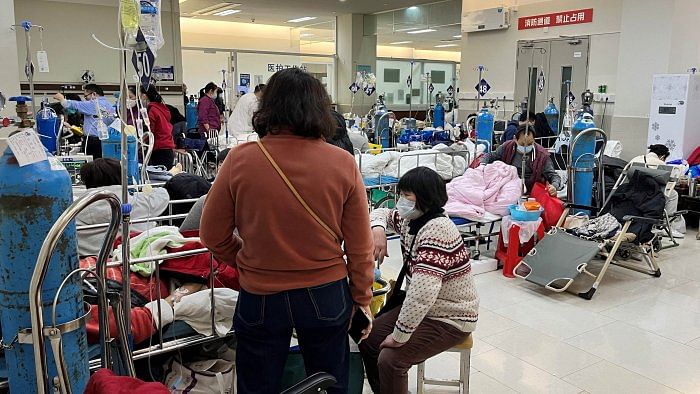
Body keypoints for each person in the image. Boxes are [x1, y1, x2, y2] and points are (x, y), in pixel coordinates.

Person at [199, 68, 374, 394]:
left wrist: (246, 259)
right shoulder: (342, 163)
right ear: (319, 108)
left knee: (257, 386)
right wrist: (362, 298)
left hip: (261, 294)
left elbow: (210, 234)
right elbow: (360, 246)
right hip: (325, 291)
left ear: (267, 107)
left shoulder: (240, 160)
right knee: (330, 382)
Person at [360, 167, 479, 394]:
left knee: (391, 358)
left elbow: (421, 296)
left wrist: (399, 337)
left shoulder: (437, 231)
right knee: (369, 339)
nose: (401, 201)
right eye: (401, 194)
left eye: (407, 196)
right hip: (427, 310)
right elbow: (382, 212)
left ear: (425, 198)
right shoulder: (411, 219)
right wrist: (378, 230)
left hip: (450, 316)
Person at [75, 158, 170, 257]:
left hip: (87, 263)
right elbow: (163, 195)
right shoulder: (137, 203)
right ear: (121, 176)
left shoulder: (74, 210)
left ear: (85, 181)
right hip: (133, 258)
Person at [484, 124, 561, 196]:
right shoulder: (507, 147)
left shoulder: (542, 155)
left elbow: (553, 175)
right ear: (515, 139)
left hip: (531, 192)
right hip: (507, 188)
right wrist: (482, 166)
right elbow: (489, 156)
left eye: (530, 144)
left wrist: (554, 186)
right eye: (522, 144)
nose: (526, 147)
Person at [630, 144, 684, 238]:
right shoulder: (660, 163)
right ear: (663, 156)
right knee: (673, 194)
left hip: (630, 192)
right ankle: (667, 226)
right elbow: (669, 180)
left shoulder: (635, 159)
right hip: (648, 196)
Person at [54, 84, 115, 158]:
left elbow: (72, 104)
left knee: (92, 165)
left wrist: (61, 99)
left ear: (94, 94)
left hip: (93, 142)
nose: (85, 99)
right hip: (106, 141)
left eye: (86, 96)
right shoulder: (110, 106)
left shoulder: (93, 104)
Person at [139, 85, 176, 168]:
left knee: (159, 177)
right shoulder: (162, 108)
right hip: (168, 146)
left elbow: (150, 130)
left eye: (140, 95)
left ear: (144, 96)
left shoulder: (152, 110)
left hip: (159, 148)